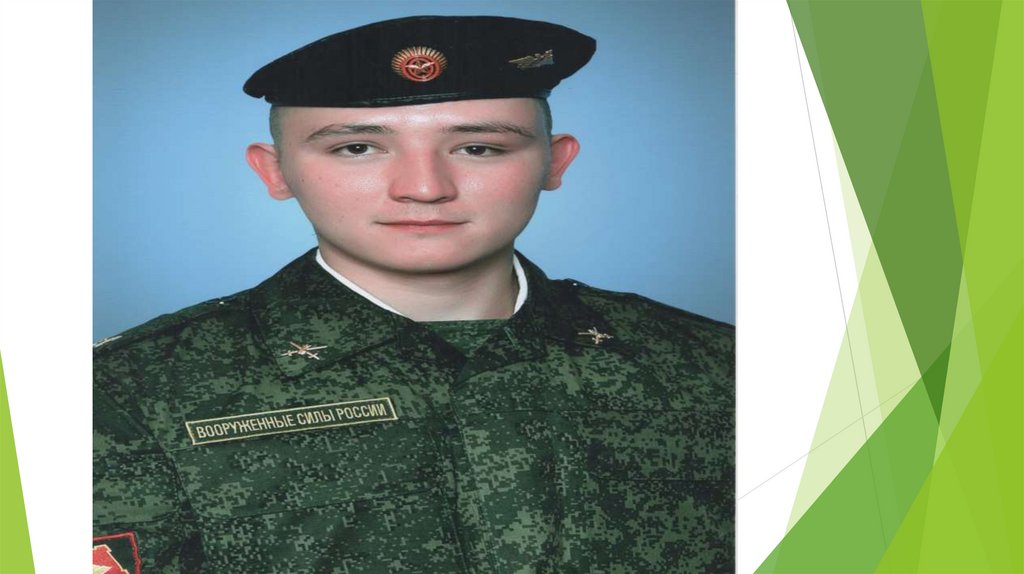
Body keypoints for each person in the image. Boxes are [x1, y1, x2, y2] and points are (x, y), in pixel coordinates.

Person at [93, 15, 734, 573]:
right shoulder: (125, 394)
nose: (424, 188)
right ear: (275, 170)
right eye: (357, 147)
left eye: (479, 147)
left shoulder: (716, 367)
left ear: (554, 162)